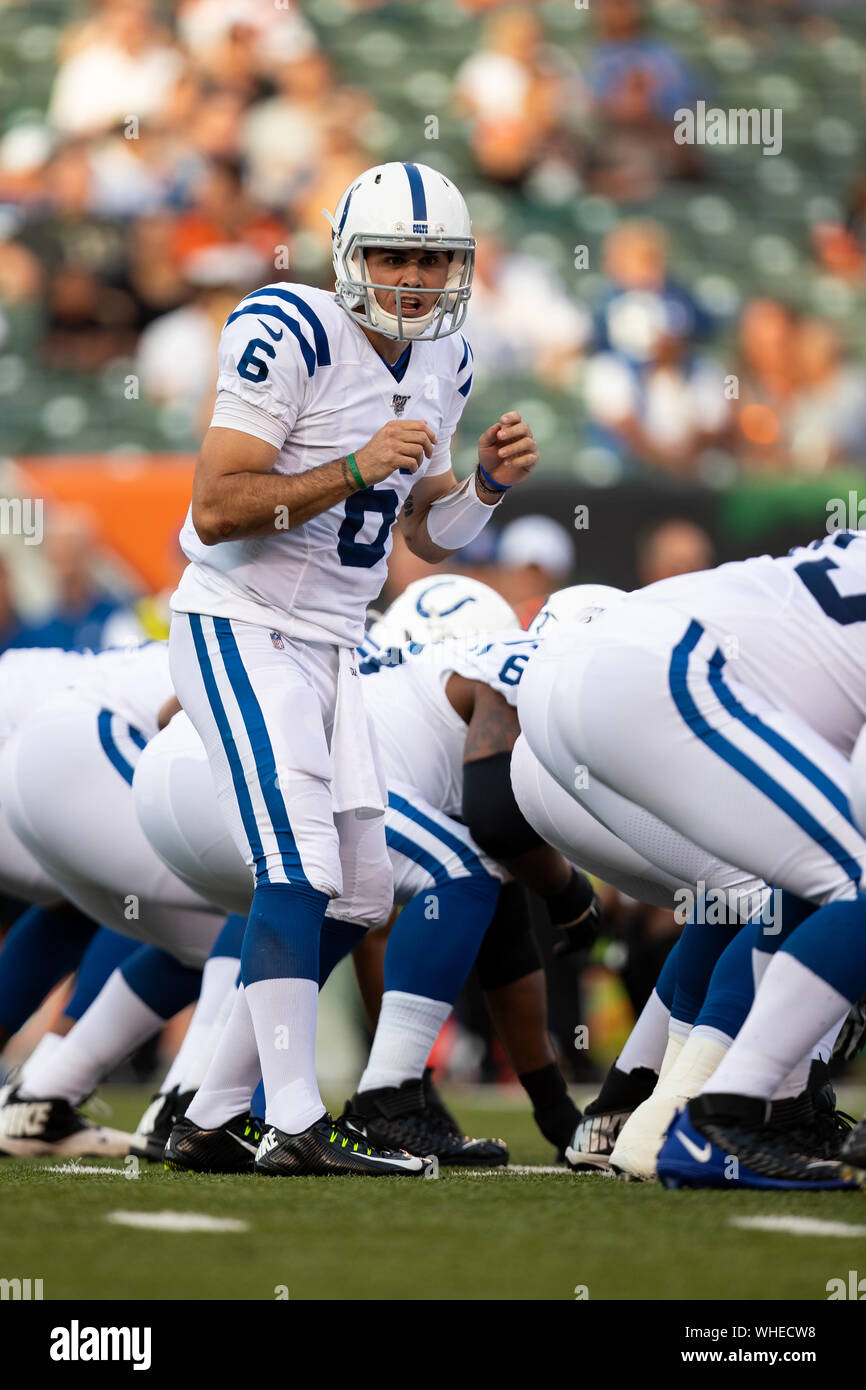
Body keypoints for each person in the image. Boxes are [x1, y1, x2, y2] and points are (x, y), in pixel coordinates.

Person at [167, 160, 538, 1178]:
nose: (415, 276)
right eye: (394, 254)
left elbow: (423, 528)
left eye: (434, 258)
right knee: (299, 866)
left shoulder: (445, 357)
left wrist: (484, 491)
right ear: (348, 255)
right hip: (241, 619)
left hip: (336, 640)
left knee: (364, 888)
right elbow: (216, 508)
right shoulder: (285, 326)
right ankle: (290, 1118)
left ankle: (209, 1106)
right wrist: (354, 465)